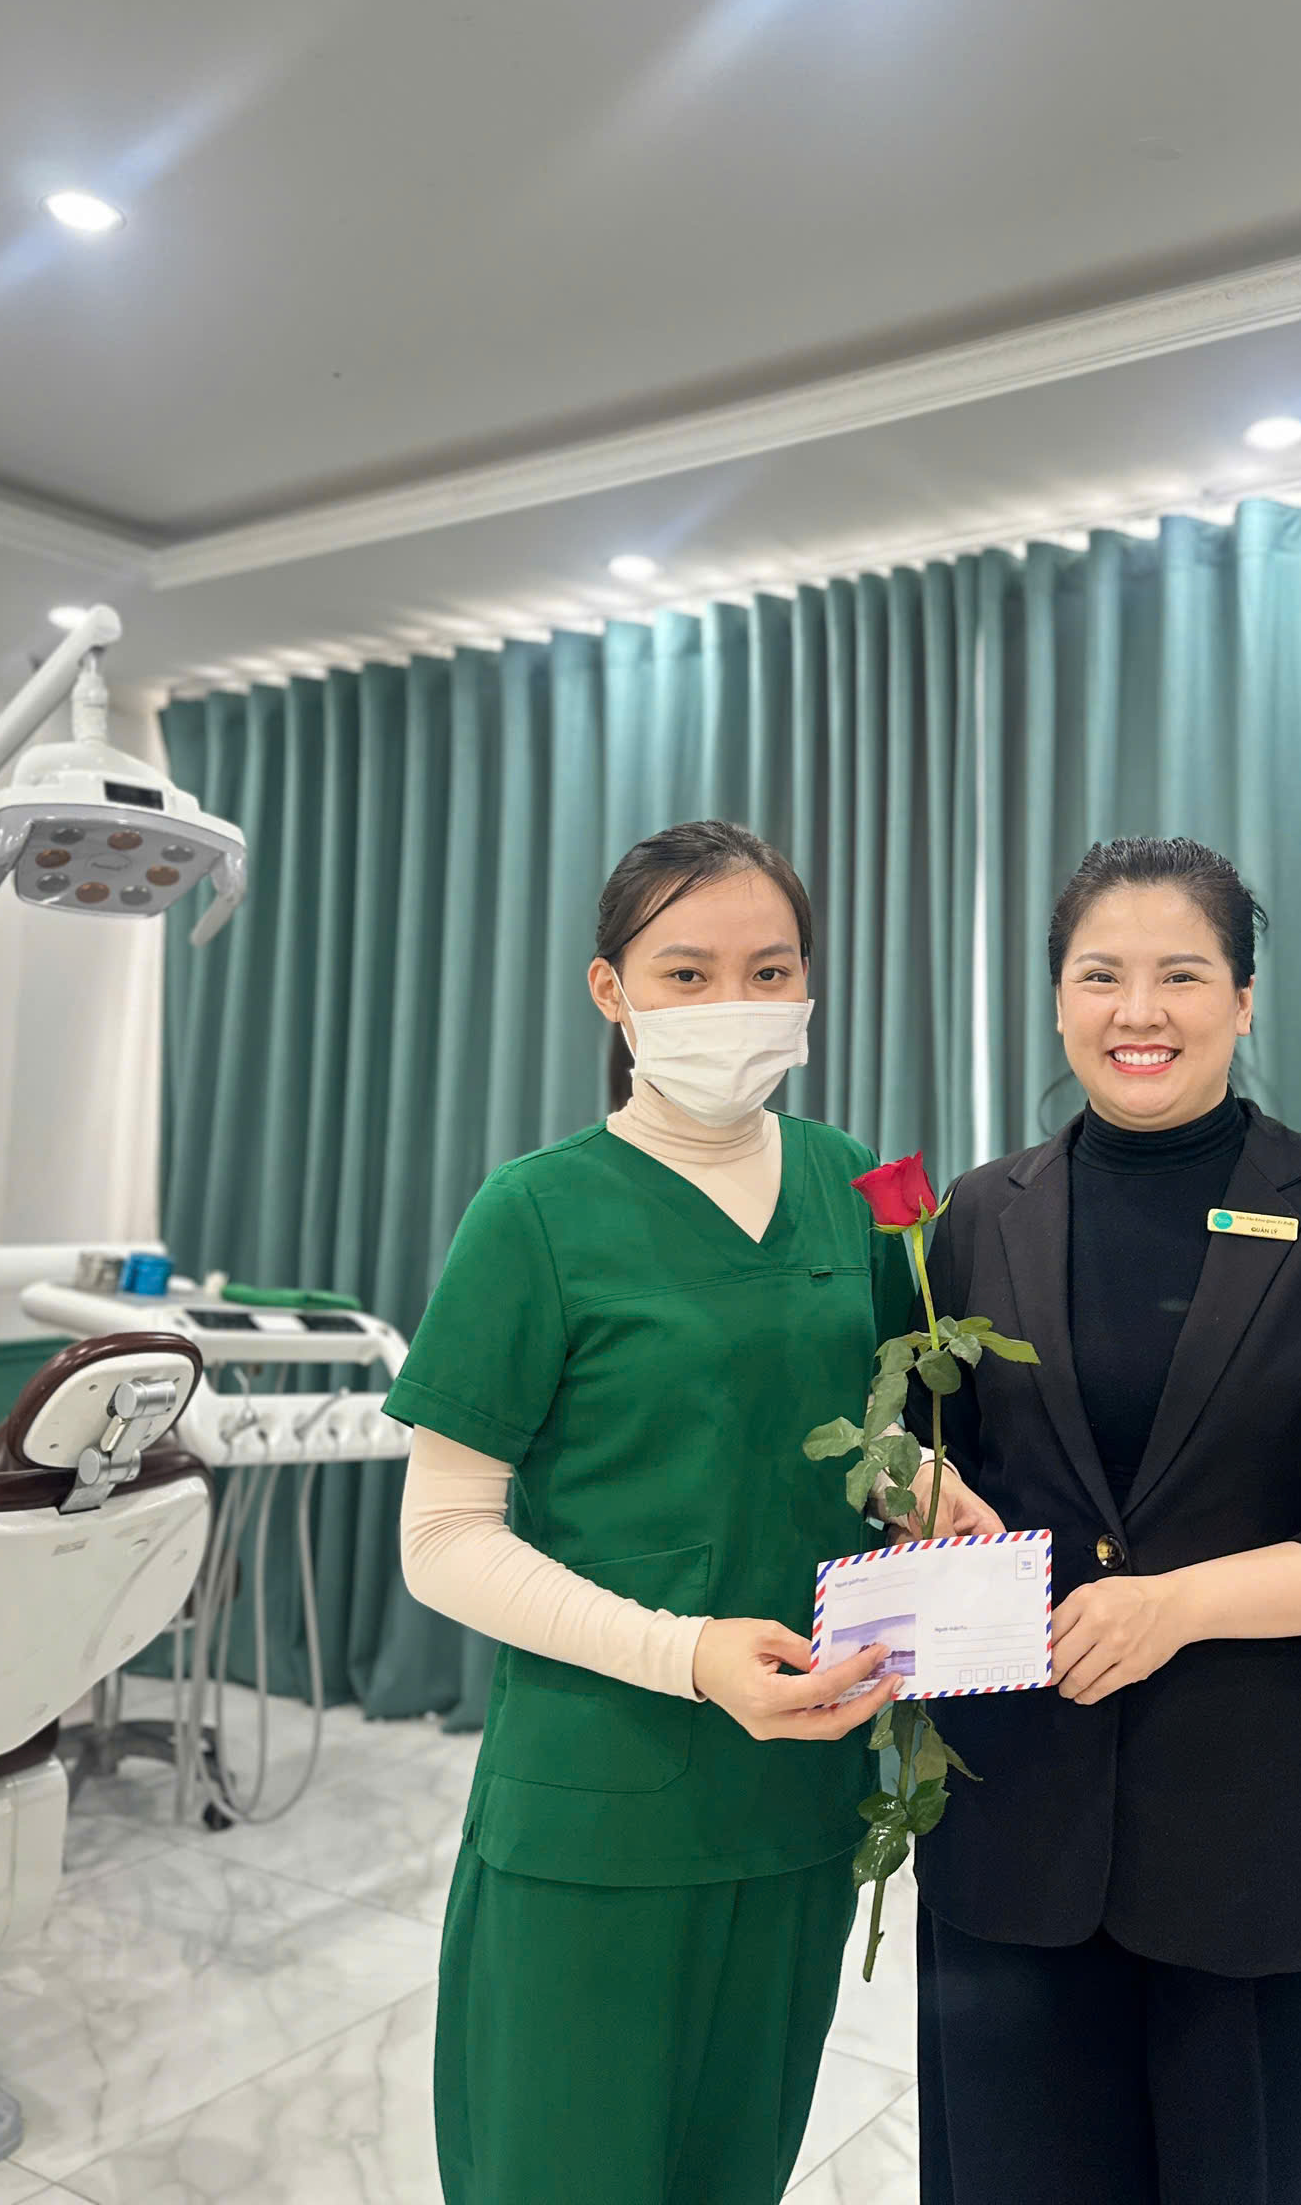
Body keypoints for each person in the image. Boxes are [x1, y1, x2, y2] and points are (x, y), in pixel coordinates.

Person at [382, 819, 987, 2205]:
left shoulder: (852, 1185)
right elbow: (442, 1540)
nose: (736, 1006)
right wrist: (686, 1654)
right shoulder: (534, 1215)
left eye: (770, 971)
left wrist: (916, 1482)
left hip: (797, 1792)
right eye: (688, 973)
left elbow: (845, 1425)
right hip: (599, 1799)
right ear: (613, 991)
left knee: (735, 2169)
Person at [913, 835, 1301, 2205]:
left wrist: (1177, 1606)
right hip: (1017, 1832)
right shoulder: (982, 1214)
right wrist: (907, 1484)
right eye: (1100, 975)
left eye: (1181, 974)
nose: (1140, 1011)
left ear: (1243, 998)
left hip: (1258, 1834)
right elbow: (932, 1459)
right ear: (1057, 999)